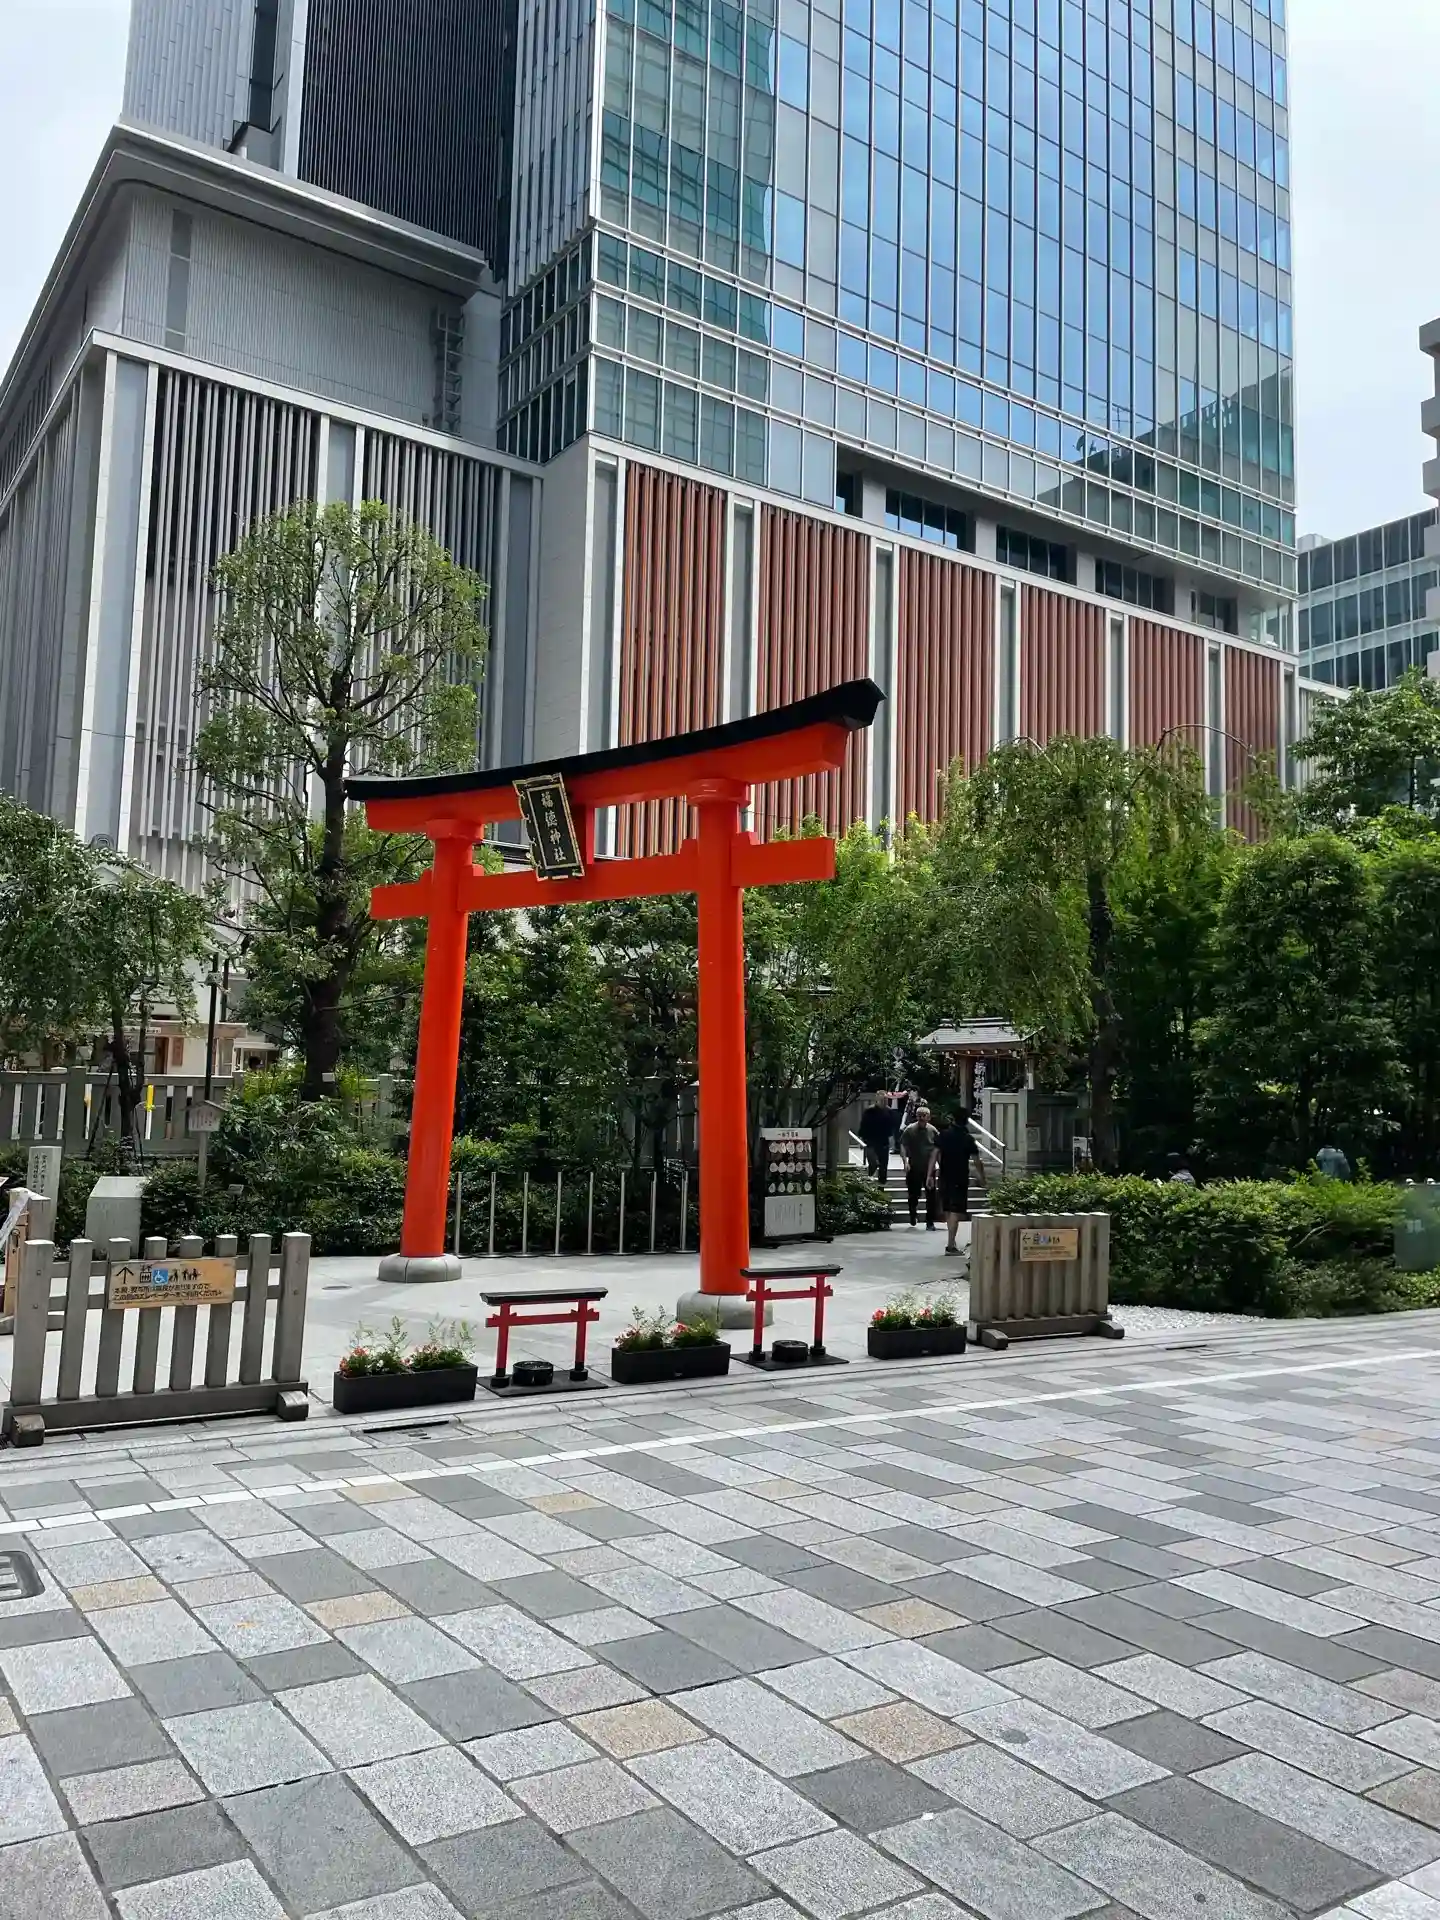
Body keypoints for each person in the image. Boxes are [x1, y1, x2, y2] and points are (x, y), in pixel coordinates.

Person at [936, 1109, 980, 1254]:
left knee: (948, 1209)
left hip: (944, 1175)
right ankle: (950, 1245)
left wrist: (931, 1173)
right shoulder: (967, 1138)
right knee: (955, 1210)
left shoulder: (944, 1135)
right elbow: (977, 1161)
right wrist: (982, 1177)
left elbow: (935, 1153)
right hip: (960, 1177)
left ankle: (951, 1239)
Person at [899, 1105, 941, 1228]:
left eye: (924, 1115)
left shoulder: (933, 1131)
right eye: (919, 1115)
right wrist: (905, 1162)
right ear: (916, 1116)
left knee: (931, 1196)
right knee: (913, 1195)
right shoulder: (910, 1129)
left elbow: (938, 1149)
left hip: (929, 1169)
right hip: (914, 1167)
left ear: (928, 1117)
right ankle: (913, 1214)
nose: (921, 1118)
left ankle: (930, 1222)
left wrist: (940, 1165)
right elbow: (903, 1145)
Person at [858, 1094, 895, 1184]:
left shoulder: (889, 1111)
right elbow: (863, 1125)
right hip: (870, 1140)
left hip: (883, 1141)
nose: (884, 1101)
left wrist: (891, 1139)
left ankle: (882, 1184)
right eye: (882, 1099)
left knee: (883, 1165)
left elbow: (891, 1126)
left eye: (885, 1100)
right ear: (877, 1100)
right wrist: (861, 1138)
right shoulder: (869, 1111)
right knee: (873, 1163)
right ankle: (869, 1179)